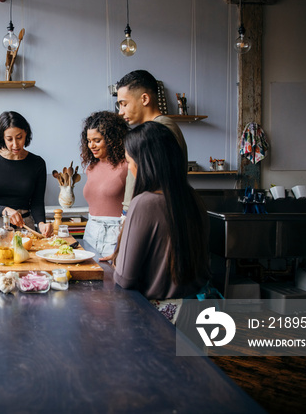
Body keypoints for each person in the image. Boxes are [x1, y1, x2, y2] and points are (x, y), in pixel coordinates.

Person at [113, 122, 210, 323]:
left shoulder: (145, 203)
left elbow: (125, 278)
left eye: (129, 162)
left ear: (144, 165)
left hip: (162, 318)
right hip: (197, 314)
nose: (128, 168)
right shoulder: (193, 198)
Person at [116, 70, 188, 212]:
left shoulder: (161, 129)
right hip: (138, 208)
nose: (120, 112)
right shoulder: (149, 130)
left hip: (149, 211)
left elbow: (160, 183)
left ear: (144, 99)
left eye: (124, 104)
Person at [0, 111, 53, 236]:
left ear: (26, 133)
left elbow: (37, 203)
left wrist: (42, 224)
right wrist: (5, 211)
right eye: (9, 139)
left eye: (19, 137)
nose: (15, 144)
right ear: (2, 137)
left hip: (24, 227)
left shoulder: (37, 163)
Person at [79, 111, 129, 255]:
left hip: (115, 234)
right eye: (89, 141)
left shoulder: (127, 166)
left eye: (97, 140)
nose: (91, 145)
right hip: (90, 232)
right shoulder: (91, 168)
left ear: (112, 139)